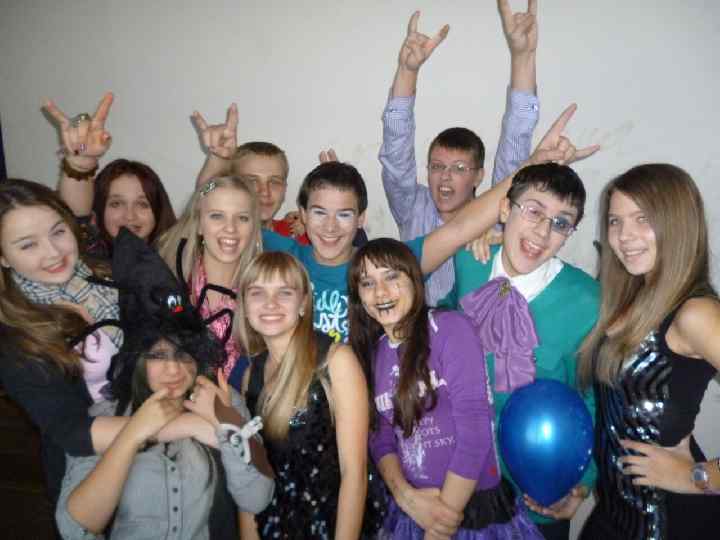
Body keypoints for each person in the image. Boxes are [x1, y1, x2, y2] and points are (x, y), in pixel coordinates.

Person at [261, 103, 595, 345]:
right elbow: (233, 221)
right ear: (302, 214)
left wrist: (533, 165)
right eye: (319, 213)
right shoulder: (284, 257)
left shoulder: (386, 269)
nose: (331, 227)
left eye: (344, 214)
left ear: (361, 218)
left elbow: (459, 230)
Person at [54, 228, 274, 539]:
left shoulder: (224, 399)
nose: (173, 368)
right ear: (137, 360)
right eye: (157, 355)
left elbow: (257, 498)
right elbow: (73, 528)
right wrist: (134, 433)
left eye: (184, 353)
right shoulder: (104, 415)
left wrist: (224, 423)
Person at [438, 161, 599, 539]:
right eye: (533, 211)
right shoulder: (469, 261)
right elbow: (444, 320)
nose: (543, 232)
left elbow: (593, 397)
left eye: (561, 223)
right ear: (505, 210)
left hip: (537, 490)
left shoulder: (588, 300)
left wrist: (581, 483)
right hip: (460, 479)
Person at [348, 238, 543, 539]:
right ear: (358, 296)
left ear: (414, 280)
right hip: (414, 509)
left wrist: (439, 526)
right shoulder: (373, 353)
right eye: (367, 283)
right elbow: (381, 435)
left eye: (392, 276)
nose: (381, 292)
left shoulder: (450, 328)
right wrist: (405, 496)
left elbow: (476, 432)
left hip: (471, 511)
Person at [576, 164, 720, 540]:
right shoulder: (632, 297)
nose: (624, 236)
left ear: (677, 222)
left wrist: (696, 476)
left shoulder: (696, 313)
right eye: (615, 221)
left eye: (642, 219)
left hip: (670, 522)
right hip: (613, 514)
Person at [380, 2, 540, 306]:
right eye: (437, 166)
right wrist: (407, 71)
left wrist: (523, 56)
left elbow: (517, 140)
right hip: (417, 327)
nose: (445, 177)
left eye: (459, 168)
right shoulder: (411, 206)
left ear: (478, 175)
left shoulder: (498, 213)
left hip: (476, 330)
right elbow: (396, 151)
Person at [233, 251, 384, 539]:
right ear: (244, 306)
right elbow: (250, 477)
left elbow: (354, 473)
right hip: (275, 526)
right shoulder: (250, 376)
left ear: (303, 303)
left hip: (334, 525)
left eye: (285, 292)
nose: (270, 303)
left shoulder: (336, 361)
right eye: (257, 293)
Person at [0, 179, 125, 503]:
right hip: (94, 470)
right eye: (28, 245)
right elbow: (72, 431)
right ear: (3, 258)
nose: (53, 252)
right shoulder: (14, 335)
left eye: (58, 232)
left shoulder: (103, 273)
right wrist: (170, 425)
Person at [46, 93, 176, 258]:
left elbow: (203, 197)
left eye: (142, 204)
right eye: (116, 204)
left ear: (158, 210)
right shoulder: (92, 259)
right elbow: (77, 216)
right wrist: (82, 161)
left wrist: (213, 162)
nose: (129, 216)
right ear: (98, 209)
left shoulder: (179, 256)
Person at [158, 175, 263, 376]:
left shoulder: (264, 292)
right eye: (217, 216)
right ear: (198, 224)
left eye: (242, 218)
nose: (230, 228)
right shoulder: (169, 282)